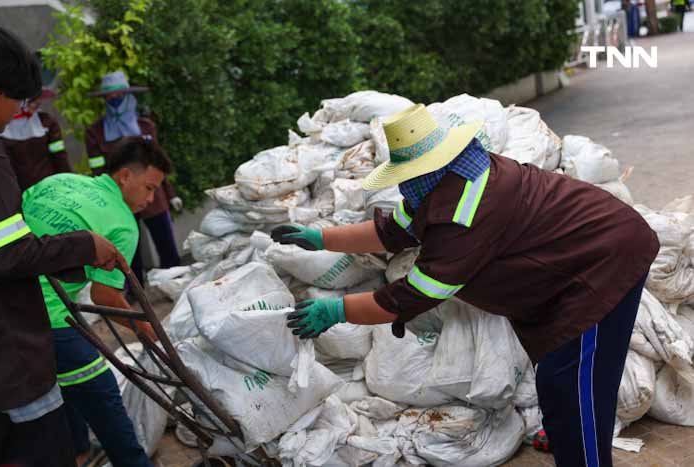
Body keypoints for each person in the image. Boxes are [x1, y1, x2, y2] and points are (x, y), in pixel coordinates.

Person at [271, 104, 660, 467]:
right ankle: (568, 438)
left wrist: (336, 311)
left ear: (426, 166)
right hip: (563, 271)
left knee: (573, 381)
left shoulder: (465, 214)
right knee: (559, 379)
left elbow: (409, 297)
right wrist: (322, 238)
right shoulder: (446, 179)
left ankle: (583, 453)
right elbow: (392, 231)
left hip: (602, 262)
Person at [0, 27, 127, 467]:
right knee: (53, 431)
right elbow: (8, 254)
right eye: (17, 100)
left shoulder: (44, 130)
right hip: (13, 355)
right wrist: (84, 244)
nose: (19, 113)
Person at [22, 136, 172, 467]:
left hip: (11, 310)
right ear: (124, 177)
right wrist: (149, 331)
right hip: (52, 320)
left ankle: (79, 451)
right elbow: (104, 296)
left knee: (64, 388)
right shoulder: (123, 223)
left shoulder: (58, 181)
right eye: (149, 188)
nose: (150, 199)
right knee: (104, 400)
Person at [85, 71, 182, 285]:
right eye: (110, 97)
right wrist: (106, 203)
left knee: (165, 242)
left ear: (129, 96)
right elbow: (98, 171)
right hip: (121, 200)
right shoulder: (96, 133)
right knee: (129, 247)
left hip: (153, 196)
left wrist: (170, 193)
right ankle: (133, 290)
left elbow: (159, 165)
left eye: (120, 95)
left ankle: (177, 282)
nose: (115, 100)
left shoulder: (146, 127)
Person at [0, 87, 72, 191]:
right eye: (33, 102)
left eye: (38, 102)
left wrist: (69, 183)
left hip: (50, 188)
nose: (37, 105)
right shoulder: (1, 128)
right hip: (18, 192)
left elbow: (60, 157)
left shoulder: (46, 122)